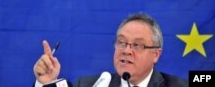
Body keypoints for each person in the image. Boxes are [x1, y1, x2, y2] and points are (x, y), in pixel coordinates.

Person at [33, 13, 188, 87]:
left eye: (137, 45)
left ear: (156, 54)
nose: (127, 50)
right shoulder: (88, 84)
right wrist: (46, 83)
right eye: (121, 42)